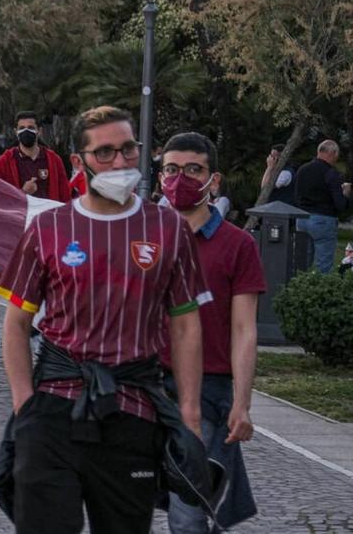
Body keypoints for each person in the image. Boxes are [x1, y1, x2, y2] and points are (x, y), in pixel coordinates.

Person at [0, 106, 206, 534]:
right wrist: (24, 404)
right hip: (54, 407)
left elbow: (185, 325)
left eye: (129, 149)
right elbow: (17, 324)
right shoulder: (49, 228)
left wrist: (189, 412)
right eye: (105, 152)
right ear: (79, 161)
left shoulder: (168, 228)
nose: (120, 162)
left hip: (133, 411)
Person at [158, 132, 266, 532]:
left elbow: (244, 329)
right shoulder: (143, 238)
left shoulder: (238, 245)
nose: (180, 178)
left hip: (208, 393)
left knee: (188, 514)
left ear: (213, 180)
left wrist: (242, 401)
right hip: (144, 389)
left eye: (192, 170)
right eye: (171, 169)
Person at [295, 140, 352, 273]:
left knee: (302, 261)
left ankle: (299, 289)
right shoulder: (331, 173)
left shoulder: (302, 170)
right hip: (323, 219)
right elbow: (340, 204)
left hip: (302, 218)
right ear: (333, 153)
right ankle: (320, 291)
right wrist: (346, 194)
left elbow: (296, 195)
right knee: (323, 264)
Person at [0, 111, 71, 202]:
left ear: (39, 131)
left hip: (47, 214)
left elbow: (65, 196)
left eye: (31, 127)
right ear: (16, 132)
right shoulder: (4, 162)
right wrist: (23, 192)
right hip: (19, 215)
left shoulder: (54, 160)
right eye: (22, 128)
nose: (26, 131)